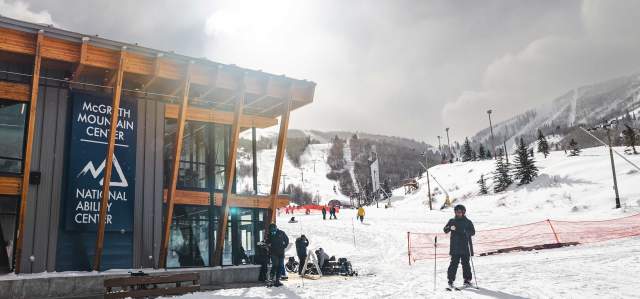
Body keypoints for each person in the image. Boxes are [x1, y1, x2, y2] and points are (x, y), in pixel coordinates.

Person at [443, 204, 475, 289]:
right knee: (453, 264)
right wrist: (450, 227)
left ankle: (467, 280)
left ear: (463, 212)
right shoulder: (452, 221)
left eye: (460, 212)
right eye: (456, 212)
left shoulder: (468, 222)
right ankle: (450, 280)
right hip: (455, 247)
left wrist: (465, 231)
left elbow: (472, 232)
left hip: (464, 246)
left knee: (466, 264)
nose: (458, 213)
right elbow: (445, 230)